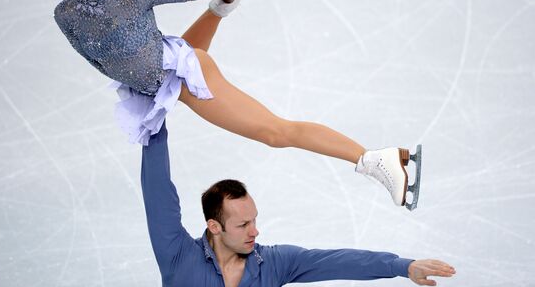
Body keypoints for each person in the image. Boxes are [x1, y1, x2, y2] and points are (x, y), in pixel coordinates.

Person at [54, 0, 421, 208]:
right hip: (167, 71)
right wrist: (149, 85)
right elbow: (101, 60)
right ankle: (220, 9)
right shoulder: (65, 14)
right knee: (174, 58)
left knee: (276, 133)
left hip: (185, 73)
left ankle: (375, 160)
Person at [141, 121, 455, 286]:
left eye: (253, 220)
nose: (255, 231)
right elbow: (157, 191)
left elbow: (339, 261)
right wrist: (155, 120)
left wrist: (404, 267)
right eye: (242, 225)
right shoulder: (178, 255)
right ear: (214, 226)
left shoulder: (272, 264)